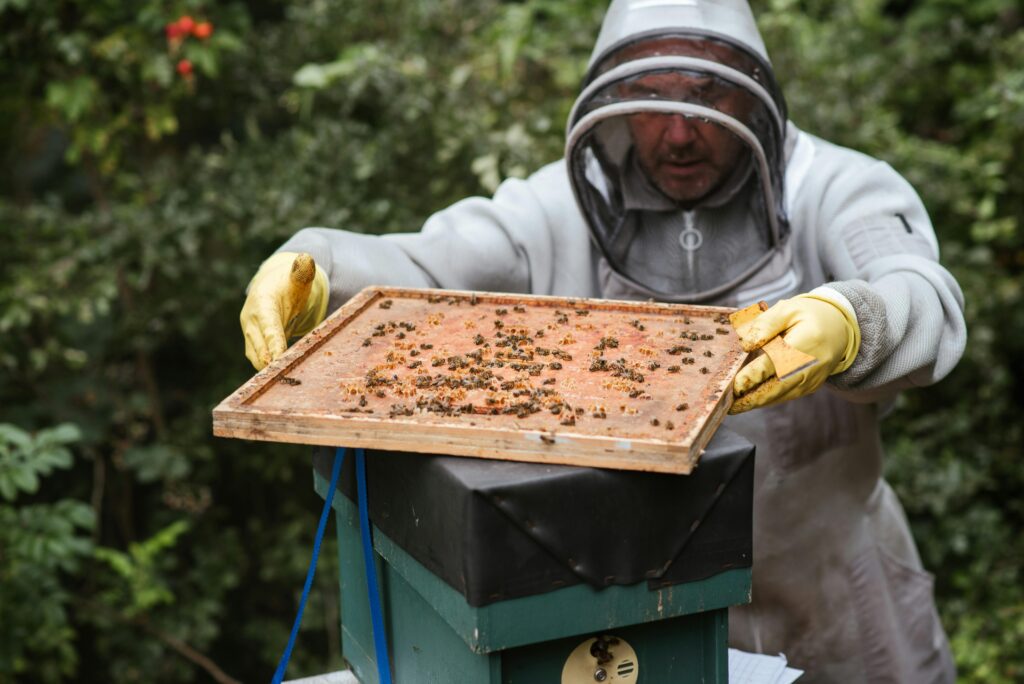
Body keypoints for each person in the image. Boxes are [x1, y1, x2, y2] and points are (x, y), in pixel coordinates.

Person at [239, 1, 965, 681]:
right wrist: (320, 269)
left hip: (836, 606)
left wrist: (853, 321)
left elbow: (922, 293)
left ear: (756, 94)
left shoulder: (837, 188)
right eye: (652, 98)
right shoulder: (559, 208)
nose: (679, 133)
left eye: (707, 98)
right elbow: (434, 263)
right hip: (636, 626)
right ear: (614, 100)